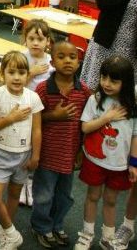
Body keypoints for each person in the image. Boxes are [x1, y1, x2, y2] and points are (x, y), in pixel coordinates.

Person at [31, 41, 91, 249]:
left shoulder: (83, 91)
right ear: (52, 60)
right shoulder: (43, 89)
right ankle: (41, 227)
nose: (67, 61)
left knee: (65, 196)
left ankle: (56, 225)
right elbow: (34, 119)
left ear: (78, 61)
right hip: (47, 154)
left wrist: (81, 152)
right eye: (62, 56)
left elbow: (86, 123)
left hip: (70, 154)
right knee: (44, 194)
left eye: (72, 57)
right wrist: (54, 115)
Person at [74, 55, 137, 250]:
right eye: (103, 77)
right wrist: (107, 117)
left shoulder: (132, 105)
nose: (106, 83)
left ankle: (108, 237)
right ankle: (87, 234)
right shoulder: (96, 99)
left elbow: (135, 135)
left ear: (125, 83)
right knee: (92, 196)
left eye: (114, 80)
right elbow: (85, 127)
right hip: (95, 160)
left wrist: (134, 163)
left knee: (111, 200)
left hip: (119, 164)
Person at [0, 51, 43, 250]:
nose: (17, 77)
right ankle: (12, 233)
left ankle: (6, 232)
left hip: (23, 156)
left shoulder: (33, 97)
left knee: (13, 195)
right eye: (11, 72)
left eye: (21, 72)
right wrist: (10, 119)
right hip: (1, 154)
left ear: (27, 74)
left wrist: (36, 155)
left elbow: (37, 129)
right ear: (2, 74)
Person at [80, 0, 137, 90]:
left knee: (124, 90)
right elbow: (102, 0)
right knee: (95, 86)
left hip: (132, 49)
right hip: (105, 44)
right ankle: (91, 111)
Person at [20, 18, 54, 207]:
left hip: (43, 112)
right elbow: (11, 84)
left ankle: (31, 183)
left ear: (47, 41)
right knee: (24, 146)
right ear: (25, 39)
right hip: (24, 109)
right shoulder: (22, 58)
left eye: (40, 39)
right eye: (31, 38)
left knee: (37, 146)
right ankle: (21, 182)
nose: (35, 43)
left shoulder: (51, 61)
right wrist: (31, 73)